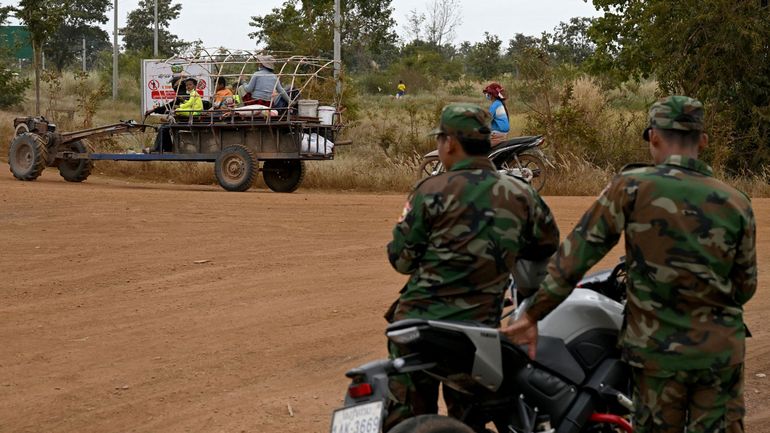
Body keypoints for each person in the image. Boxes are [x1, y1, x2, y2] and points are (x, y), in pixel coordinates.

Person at [501, 96, 757, 433]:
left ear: (653, 137)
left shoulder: (631, 188)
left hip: (657, 354)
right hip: (720, 353)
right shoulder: (736, 201)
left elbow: (576, 258)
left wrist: (532, 315)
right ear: (703, 141)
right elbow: (745, 286)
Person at [384, 102, 560, 431]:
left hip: (416, 326)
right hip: (478, 331)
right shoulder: (520, 193)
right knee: (472, 418)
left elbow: (401, 261)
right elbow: (546, 246)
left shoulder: (429, 191)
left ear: (450, 143)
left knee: (403, 420)